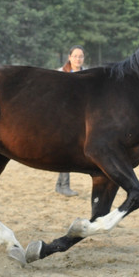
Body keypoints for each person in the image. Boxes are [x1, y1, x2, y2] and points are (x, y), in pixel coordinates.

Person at [55, 45, 85, 196]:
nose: (78, 59)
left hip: (78, 118)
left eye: (80, 56)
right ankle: (64, 185)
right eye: (75, 56)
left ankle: (60, 185)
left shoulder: (86, 75)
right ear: (69, 57)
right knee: (66, 150)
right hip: (62, 117)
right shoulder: (60, 73)